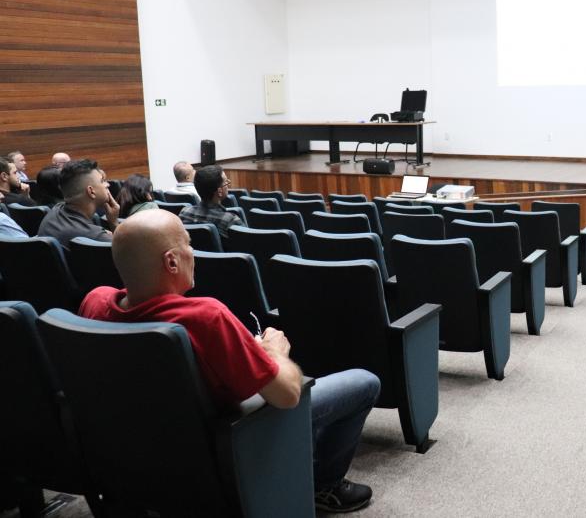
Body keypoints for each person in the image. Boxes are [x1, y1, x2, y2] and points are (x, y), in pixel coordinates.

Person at [79, 209, 379, 512]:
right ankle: (323, 486)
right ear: (171, 261)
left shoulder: (95, 301)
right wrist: (274, 352)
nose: (193, 252)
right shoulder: (206, 317)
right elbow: (287, 396)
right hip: (229, 436)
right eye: (188, 244)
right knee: (365, 382)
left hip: (138, 450)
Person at [37, 159, 119, 249]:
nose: (107, 185)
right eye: (102, 181)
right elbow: (130, 255)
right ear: (91, 191)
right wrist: (114, 223)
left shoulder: (54, 212)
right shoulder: (96, 238)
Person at [178, 165, 241, 239]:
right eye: (226, 183)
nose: (228, 185)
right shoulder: (230, 220)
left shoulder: (184, 212)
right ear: (219, 191)